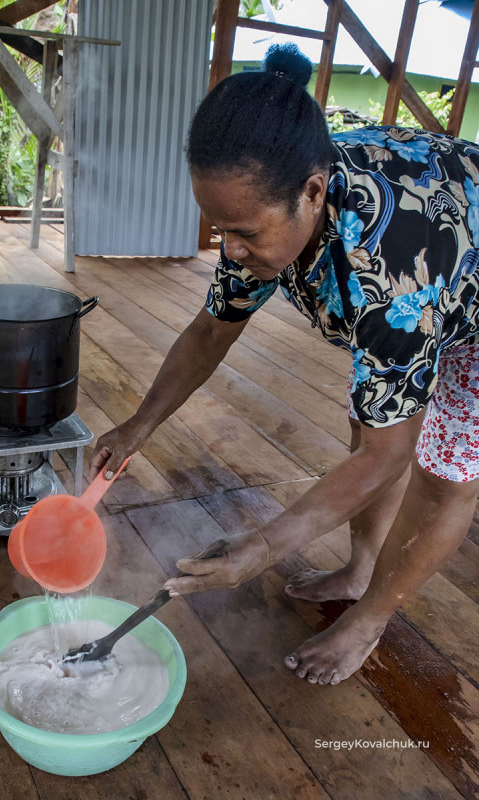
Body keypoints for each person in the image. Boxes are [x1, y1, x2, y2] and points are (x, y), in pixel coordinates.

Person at [90, 43, 479, 686]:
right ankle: (360, 571)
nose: (231, 250)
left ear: (312, 192)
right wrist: (139, 425)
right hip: (419, 274)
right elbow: (213, 328)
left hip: (457, 273)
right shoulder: (267, 191)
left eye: (244, 232)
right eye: (218, 229)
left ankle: (371, 618)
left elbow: (390, 454)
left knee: (443, 471)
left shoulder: (388, 271)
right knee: (369, 417)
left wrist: (264, 546)